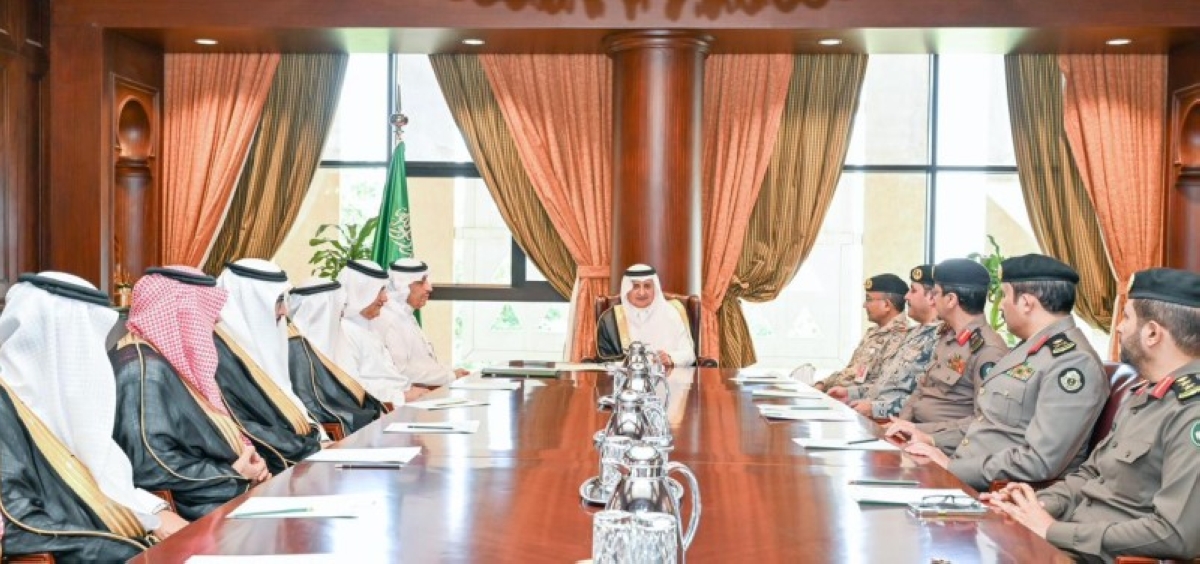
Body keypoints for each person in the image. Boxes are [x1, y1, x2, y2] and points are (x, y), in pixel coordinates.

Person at [984, 268, 1200, 563]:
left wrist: (1054, 531)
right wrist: (1034, 504)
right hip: (1067, 540)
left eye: (1126, 318)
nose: (1119, 328)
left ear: (1152, 333)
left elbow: (1175, 535)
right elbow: (1090, 475)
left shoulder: (1191, 411)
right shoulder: (1145, 394)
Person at [0, 272, 186, 560]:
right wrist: (137, 551)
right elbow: (21, 525)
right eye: (82, 339)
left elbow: (103, 477)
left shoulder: (56, 398)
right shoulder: (6, 406)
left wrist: (154, 513)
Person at [887, 255, 1107, 491]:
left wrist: (952, 467)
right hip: (967, 471)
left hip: (997, 491)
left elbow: (1041, 461)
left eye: (1003, 295)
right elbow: (988, 424)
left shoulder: (1072, 363)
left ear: (1026, 303)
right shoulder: (1029, 349)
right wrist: (930, 437)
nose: (1000, 306)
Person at [111, 266, 270, 521]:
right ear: (182, 312)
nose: (216, 320)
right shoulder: (143, 372)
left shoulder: (167, 360)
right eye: (206, 310)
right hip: (192, 509)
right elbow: (152, 464)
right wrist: (232, 476)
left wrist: (247, 467)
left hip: (220, 492)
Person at [213, 259, 322, 474]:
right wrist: (311, 448)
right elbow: (245, 425)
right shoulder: (218, 351)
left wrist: (321, 440)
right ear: (249, 301)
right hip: (267, 463)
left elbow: (289, 400)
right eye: (277, 301)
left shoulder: (265, 338)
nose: (284, 311)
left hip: (297, 450)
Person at [895, 258, 1008, 426]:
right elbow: (921, 390)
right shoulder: (948, 336)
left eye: (935, 293)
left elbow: (984, 422)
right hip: (914, 430)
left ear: (950, 300)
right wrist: (900, 425)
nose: (932, 300)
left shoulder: (988, 350)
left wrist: (924, 433)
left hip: (939, 439)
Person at [828, 265, 941, 419]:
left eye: (913, 291)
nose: (906, 297)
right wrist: (850, 393)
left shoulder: (941, 338)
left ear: (932, 297)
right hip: (872, 411)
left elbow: (926, 399)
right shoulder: (912, 334)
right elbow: (883, 383)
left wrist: (876, 409)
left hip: (893, 420)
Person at [287, 277, 387, 435]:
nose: (341, 314)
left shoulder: (339, 339)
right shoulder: (297, 350)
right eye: (339, 308)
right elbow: (316, 408)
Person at [337, 259, 428, 405]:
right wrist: (402, 397)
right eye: (379, 291)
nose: (385, 298)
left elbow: (386, 376)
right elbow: (354, 387)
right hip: (384, 410)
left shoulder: (370, 326)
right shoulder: (343, 333)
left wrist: (409, 391)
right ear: (361, 293)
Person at [375, 258, 468, 387]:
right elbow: (402, 371)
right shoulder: (388, 319)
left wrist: (449, 372)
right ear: (403, 286)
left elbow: (422, 362)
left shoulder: (405, 314)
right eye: (422, 282)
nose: (429, 288)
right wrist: (450, 376)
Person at [812, 273, 911, 392]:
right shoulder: (873, 332)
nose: (864, 305)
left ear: (886, 305)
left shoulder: (902, 337)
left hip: (853, 400)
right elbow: (850, 371)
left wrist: (847, 393)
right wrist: (822, 384)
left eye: (869, 299)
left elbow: (883, 386)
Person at [596, 264, 696, 367]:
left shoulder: (672, 313)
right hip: (626, 377)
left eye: (647, 286)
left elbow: (689, 354)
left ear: (655, 288)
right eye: (635, 286)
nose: (642, 293)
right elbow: (604, 362)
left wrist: (671, 358)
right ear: (626, 289)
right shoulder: (610, 320)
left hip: (670, 376)